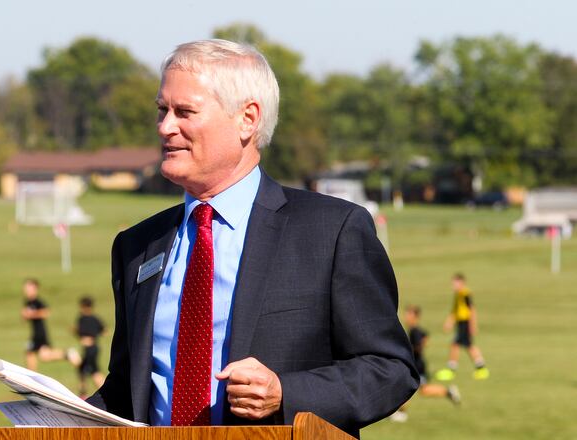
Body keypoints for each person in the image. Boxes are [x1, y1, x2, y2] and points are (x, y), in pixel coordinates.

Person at [87, 39, 418, 437]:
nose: (165, 127)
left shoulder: (332, 230)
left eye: (184, 112)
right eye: (162, 110)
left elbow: (390, 370)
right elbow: (129, 390)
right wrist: (52, 411)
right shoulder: (137, 246)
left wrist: (285, 392)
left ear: (247, 119)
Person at [389, 305, 460, 423]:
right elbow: (425, 335)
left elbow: (418, 345)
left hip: (416, 366)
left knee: (407, 387)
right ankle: (448, 392)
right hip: (416, 364)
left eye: (409, 315)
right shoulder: (415, 330)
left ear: (415, 317)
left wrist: (409, 349)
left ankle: (401, 414)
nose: (406, 317)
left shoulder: (414, 331)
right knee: (422, 390)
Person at [435, 273, 489, 381]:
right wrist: (449, 322)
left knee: (457, 345)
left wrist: (473, 325)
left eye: (455, 283)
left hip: (465, 323)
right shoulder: (458, 294)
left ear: (462, 282)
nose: (453, 285)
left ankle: (452, 370)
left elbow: (472, 309)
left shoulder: (465, 293)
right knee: (467, 345)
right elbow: (455, 310)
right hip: (461, 323)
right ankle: (481, 368)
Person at [21, 279, 81, 371]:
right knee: (44, 356)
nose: (26, 290)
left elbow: (46, 312)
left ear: (35, 288)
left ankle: (31, 377)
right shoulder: (28, 301)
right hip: (36, 332)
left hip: (40, 333)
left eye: (28, 288)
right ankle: (67, 354)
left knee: (30, 353)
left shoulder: (37, 301)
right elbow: (25, 317)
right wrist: (25, 315)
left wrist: (31, 314)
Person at [75, 296, 105, 396]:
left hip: (89, 349)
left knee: (93, 372)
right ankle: (83, 393)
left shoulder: (82, 319)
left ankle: (104, 391)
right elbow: (104, 331)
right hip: (95, 348)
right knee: (84, 370)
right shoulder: (95, 318)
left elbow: (80, 333)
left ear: (83, 306)